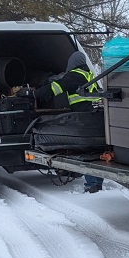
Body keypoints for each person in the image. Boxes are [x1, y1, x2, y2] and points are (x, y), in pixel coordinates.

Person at [32, 50, 105, 193]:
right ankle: (96, 183)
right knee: (96, 152)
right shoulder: (89, 74)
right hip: (95, 117)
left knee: (87, 154)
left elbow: (55, 88)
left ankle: (92, 186)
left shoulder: (75, 75)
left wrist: (33, 94)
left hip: (84, 118)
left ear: (73, 63)